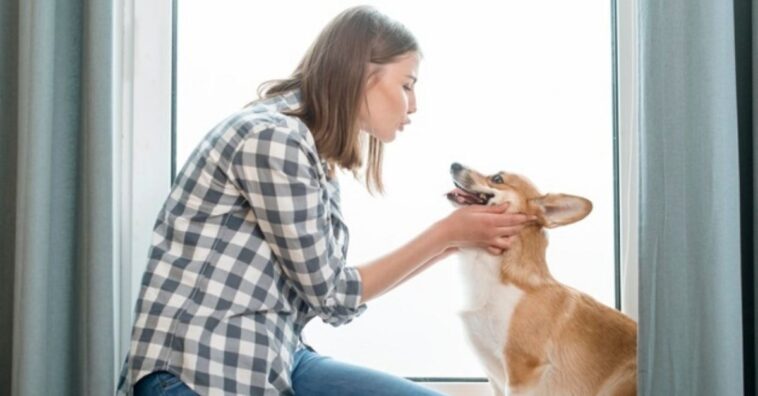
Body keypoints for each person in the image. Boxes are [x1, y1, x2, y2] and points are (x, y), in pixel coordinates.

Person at [118, 5, 531, 396]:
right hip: (198, 371)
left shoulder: (313, 157)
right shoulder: (272, 138)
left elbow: (334, 299)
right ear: (362, 74)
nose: (414, 105)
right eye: (406, 85)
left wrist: (456, 241)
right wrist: (446, 234)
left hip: (272, 359)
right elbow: (334, 294)